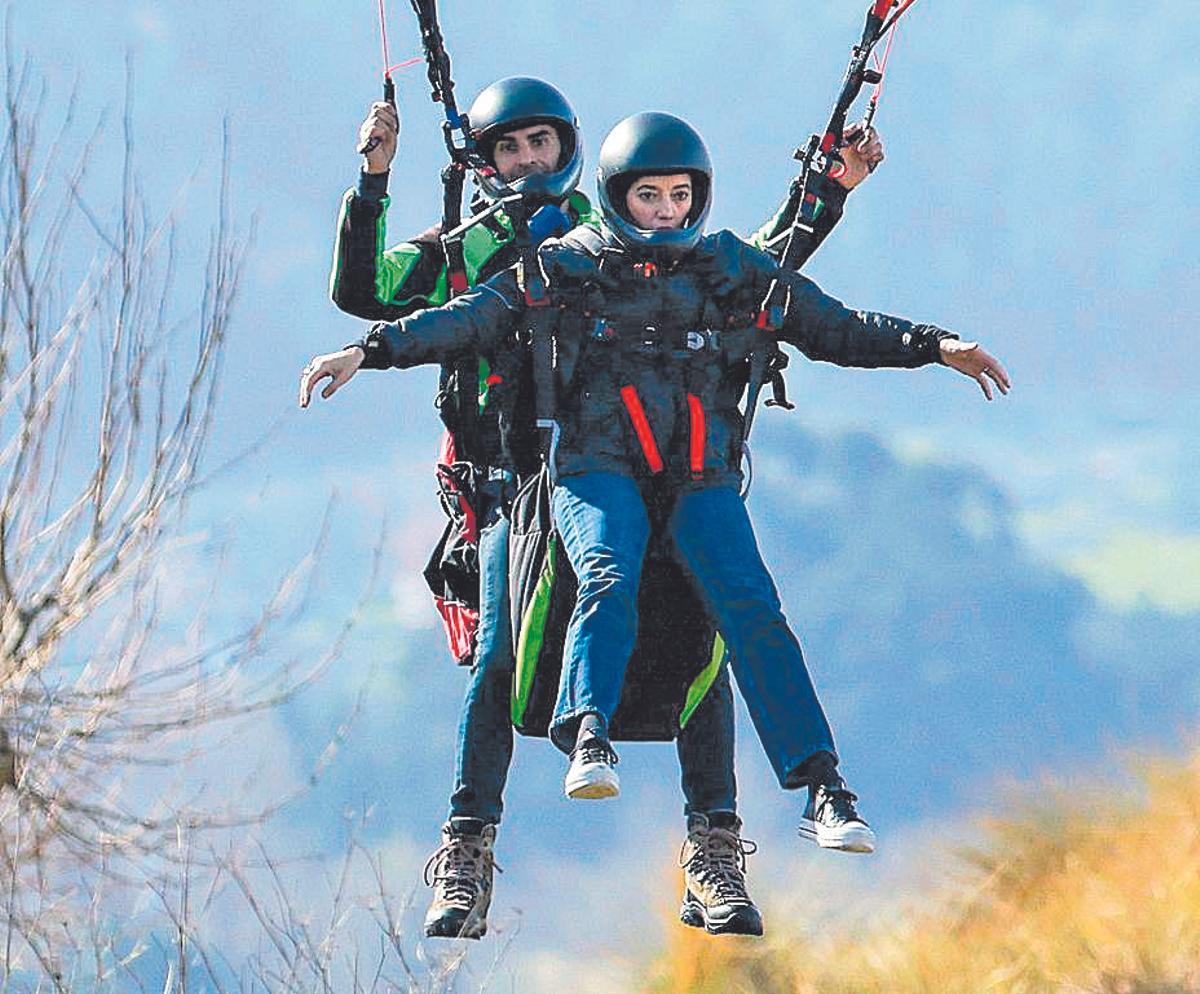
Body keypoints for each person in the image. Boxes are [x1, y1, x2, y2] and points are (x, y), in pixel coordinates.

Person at [316, 84, 886, 939]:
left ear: (572, 151)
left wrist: (827, 194)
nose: (528, 162)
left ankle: (715, 851)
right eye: (510, 150)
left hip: (626, 467)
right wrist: (373, 181)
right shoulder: (462, 251)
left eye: (541, 144)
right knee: (500, 659)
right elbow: (367, 291)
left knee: (708, 638)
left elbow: (737, 270)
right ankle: (467, 848)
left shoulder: (606, 227)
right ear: (484, 163)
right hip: (512, 482)